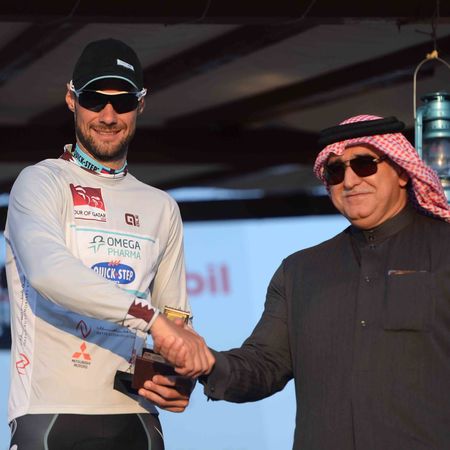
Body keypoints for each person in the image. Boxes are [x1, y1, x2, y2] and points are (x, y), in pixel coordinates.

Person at [148, 114, 450, 450]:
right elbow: (265, 365)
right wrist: (207, 363)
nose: (350, 181)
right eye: (336, 172)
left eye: (364, 165)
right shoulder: (300, 271)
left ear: (402, 172)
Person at [5, 38, 212, 450]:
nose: (108, 115)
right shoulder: (40, 181)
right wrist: (151, 319)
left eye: (123, 102)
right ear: (71, 99)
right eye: (94, 99)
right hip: (51, 414)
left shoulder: (161, 206)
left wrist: (178, 377)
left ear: (141, 105)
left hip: (136, 418)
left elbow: (175, 320)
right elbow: (49, 272)